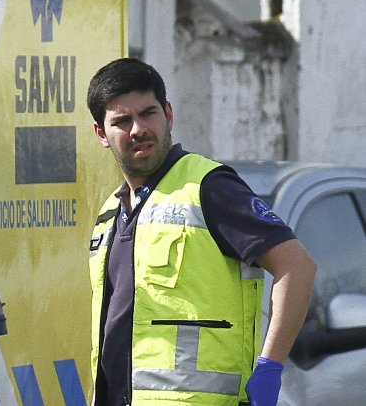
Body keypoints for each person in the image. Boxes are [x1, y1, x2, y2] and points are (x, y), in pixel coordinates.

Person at [85, 58, 316, 406]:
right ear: (102, 134)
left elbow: (296, 266)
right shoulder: (109, 212)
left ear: (169, 115)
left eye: (149, 114)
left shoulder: (209, 186)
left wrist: (270, 366)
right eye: (122, 121)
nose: (138, 129)